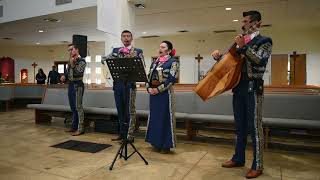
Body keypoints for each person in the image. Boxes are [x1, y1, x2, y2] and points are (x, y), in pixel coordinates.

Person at [212, 10, 272, 178]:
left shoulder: (265, 41)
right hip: (238, 87)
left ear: (257, 23)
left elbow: (260, 60)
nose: (243, 24)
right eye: (243, 21)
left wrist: (243, 46)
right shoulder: (241, 41)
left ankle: (258, 165)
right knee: (239, 126)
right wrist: (219, 57)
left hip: (253, 87)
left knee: (254, 127)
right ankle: (238, 158)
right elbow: (230, 60)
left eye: (246, 21)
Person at [103, 30, 144, 141]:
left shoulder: (137, 51)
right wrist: (111, 58)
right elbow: (104, 59)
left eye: (128, 36)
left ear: (131, 38)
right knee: (120, 110)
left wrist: (131, 58)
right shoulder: (116, 50)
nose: (126, 38)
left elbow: (142, 66)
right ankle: (122, 134)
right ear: (121, 38)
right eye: (124, 36)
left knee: (130, 110)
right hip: (118, 85)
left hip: (130, 85)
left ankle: (129, 136)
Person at [145, 41, 179, 154]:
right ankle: (156, 143)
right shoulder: (155, 62)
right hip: (153, 95)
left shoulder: (173, 62)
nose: (160, 48)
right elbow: (148, 77)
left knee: (165, 118)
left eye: (163, 47)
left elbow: (172, 79)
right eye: (159, 46)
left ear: (169, 50)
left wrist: (157, 89)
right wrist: (148, 88)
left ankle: (166, 145)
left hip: (165, 95)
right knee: (155, 119)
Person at [60, 44, 87, 136]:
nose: (70, 52)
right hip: (71, 85)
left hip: (78, 85)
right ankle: (74, 126)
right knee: (73, 107)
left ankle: (81, 128)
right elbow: (68, 73)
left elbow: (78, 73)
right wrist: (64, 76)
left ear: (77, 49)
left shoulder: (82, 61)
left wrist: (72, 65)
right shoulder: (70, 61)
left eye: (71, 49)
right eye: (69, 50)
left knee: (78, 107)